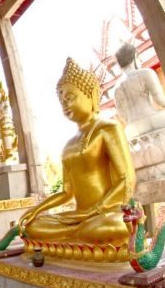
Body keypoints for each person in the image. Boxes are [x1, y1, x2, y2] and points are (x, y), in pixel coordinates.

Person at [18, 57, 134, 245]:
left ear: (92, 94)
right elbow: (67, 193)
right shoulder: (69, 145)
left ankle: (79, 237)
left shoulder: (108, 128)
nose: (64, 104)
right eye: (61, 100)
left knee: (107, 228)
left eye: (70, 97)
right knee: (33, 226)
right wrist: (37, 210)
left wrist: (95, 210)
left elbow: (126, 181)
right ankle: (79, 237)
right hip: (80, 216)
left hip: (106, 214)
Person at [113, 42, 165, 139]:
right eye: (139, 58)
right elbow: (161, 101)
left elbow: (123, 116)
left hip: (132, 132)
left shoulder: (116, 87)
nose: (141, 61)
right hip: (153, 120)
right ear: (135, 57)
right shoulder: (146, 73)